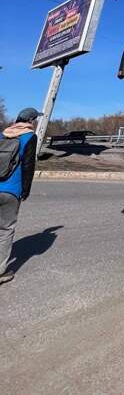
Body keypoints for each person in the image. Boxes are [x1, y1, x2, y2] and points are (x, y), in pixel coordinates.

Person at [0, 108, 40, 285]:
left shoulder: (3, 134)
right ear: (31, 120)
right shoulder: (29, 137)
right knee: (5, 230)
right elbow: (28, 165)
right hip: (11, 190)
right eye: (35, 119)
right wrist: (25, 191)